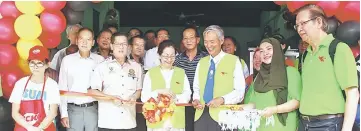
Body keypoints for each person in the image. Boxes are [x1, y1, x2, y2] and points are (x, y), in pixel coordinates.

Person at [295, 4, 359, 131]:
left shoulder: (338, 49)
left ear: (318, 22)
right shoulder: (306, 54)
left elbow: (352, 94)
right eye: (297, 25)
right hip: (304, 123)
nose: (299, 29)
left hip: (328, 124)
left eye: (303, 23)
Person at [192, 25, 245, 131]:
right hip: (201, 115)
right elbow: (196, 88)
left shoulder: (234, 61)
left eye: (212, 41)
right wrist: (196, 99)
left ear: (221, 40)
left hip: (225, 116)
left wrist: (222, 99)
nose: (208, 45)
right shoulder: (201, 62)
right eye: (206, 41)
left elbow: (240, 92)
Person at [244, 38, 301, 131]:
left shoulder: (290, 73)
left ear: (278, 50)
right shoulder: (259, 76)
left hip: (282, 127)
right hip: (260, 126)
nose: (265, 53)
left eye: (269, 49)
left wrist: (275, 109)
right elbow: (253, 103)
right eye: (262, 51)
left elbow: (296, 102)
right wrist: (237, 110)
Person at [88, 33, 142, 131]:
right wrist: (111, 98)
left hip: (129, 121)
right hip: (108, 122)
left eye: (124, 44)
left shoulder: (136, 67)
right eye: (118, 44)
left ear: (129, 47)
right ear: (112, 46)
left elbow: (138, 90)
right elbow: (92, 92)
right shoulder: (102, 67)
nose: (121, 47)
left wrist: (134, 97)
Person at [59, 28, 105, 131]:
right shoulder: (67, 60)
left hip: (93, 109)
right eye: (81, 39)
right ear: (76, 41)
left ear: (93, 42)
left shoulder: (100, 61)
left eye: (88, 39)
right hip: (73, 110)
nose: (84, 42)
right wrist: (64, 114)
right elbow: (62, 87)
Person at [141, 40, 192, 131]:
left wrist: (176, 97)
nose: (169, 59)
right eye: (166, 56)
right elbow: (144, 97)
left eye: (172, 56)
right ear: (159, 55)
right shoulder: (151, 73)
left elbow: (187, 93)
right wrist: (158, 92)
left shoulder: (181, 73)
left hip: (176, 122)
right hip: (156, 122)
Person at [9, 46, 61, 131]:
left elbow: (53, 112)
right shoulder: (20, 84)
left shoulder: (52, 85)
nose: (35, 67)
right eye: (32, 63)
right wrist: (29, 127)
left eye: (40, 63)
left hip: (44, 127)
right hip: (23, 127)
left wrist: (40, 128)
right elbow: (15, 113)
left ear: (47, 64)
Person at [174, 26, 208, 131]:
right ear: (182, 41)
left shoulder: (206, 58)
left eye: (191, 37)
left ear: (198, 40)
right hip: (184, 103)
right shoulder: (177, 59)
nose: (188, 41)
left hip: (202, 103)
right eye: (185, 38)